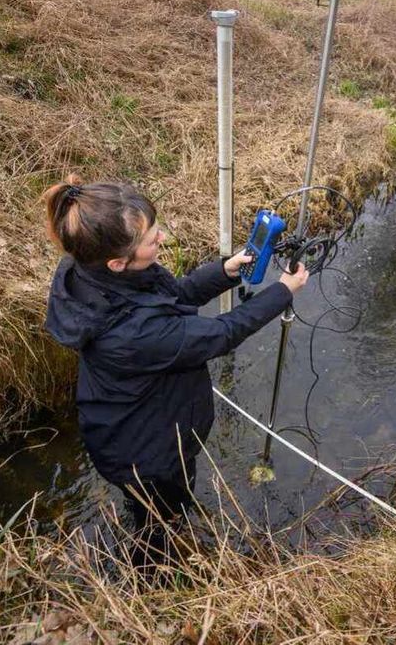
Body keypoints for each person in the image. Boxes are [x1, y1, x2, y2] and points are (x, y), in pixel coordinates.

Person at [41, 175, 308, 559]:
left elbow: (172, 297)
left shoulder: (91, 271)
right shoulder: (133, 333)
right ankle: (158, 573)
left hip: (125, 426)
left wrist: (226, 271)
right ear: (118, 262)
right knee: (161, 522)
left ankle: (156, 530)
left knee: (153, 511)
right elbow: (222, 333)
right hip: (147, 456)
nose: (161, 238)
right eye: (151, 239)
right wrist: (283, 291)